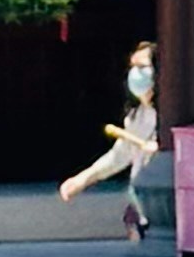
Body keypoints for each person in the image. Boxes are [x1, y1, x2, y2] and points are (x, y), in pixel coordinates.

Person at [59, 38, 161, 241]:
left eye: (142, 67)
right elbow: (120, 155)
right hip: (143, 206)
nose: (136, 73)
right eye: (133, 67)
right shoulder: (136, 115)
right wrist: (83, 179)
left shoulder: (170, 112)